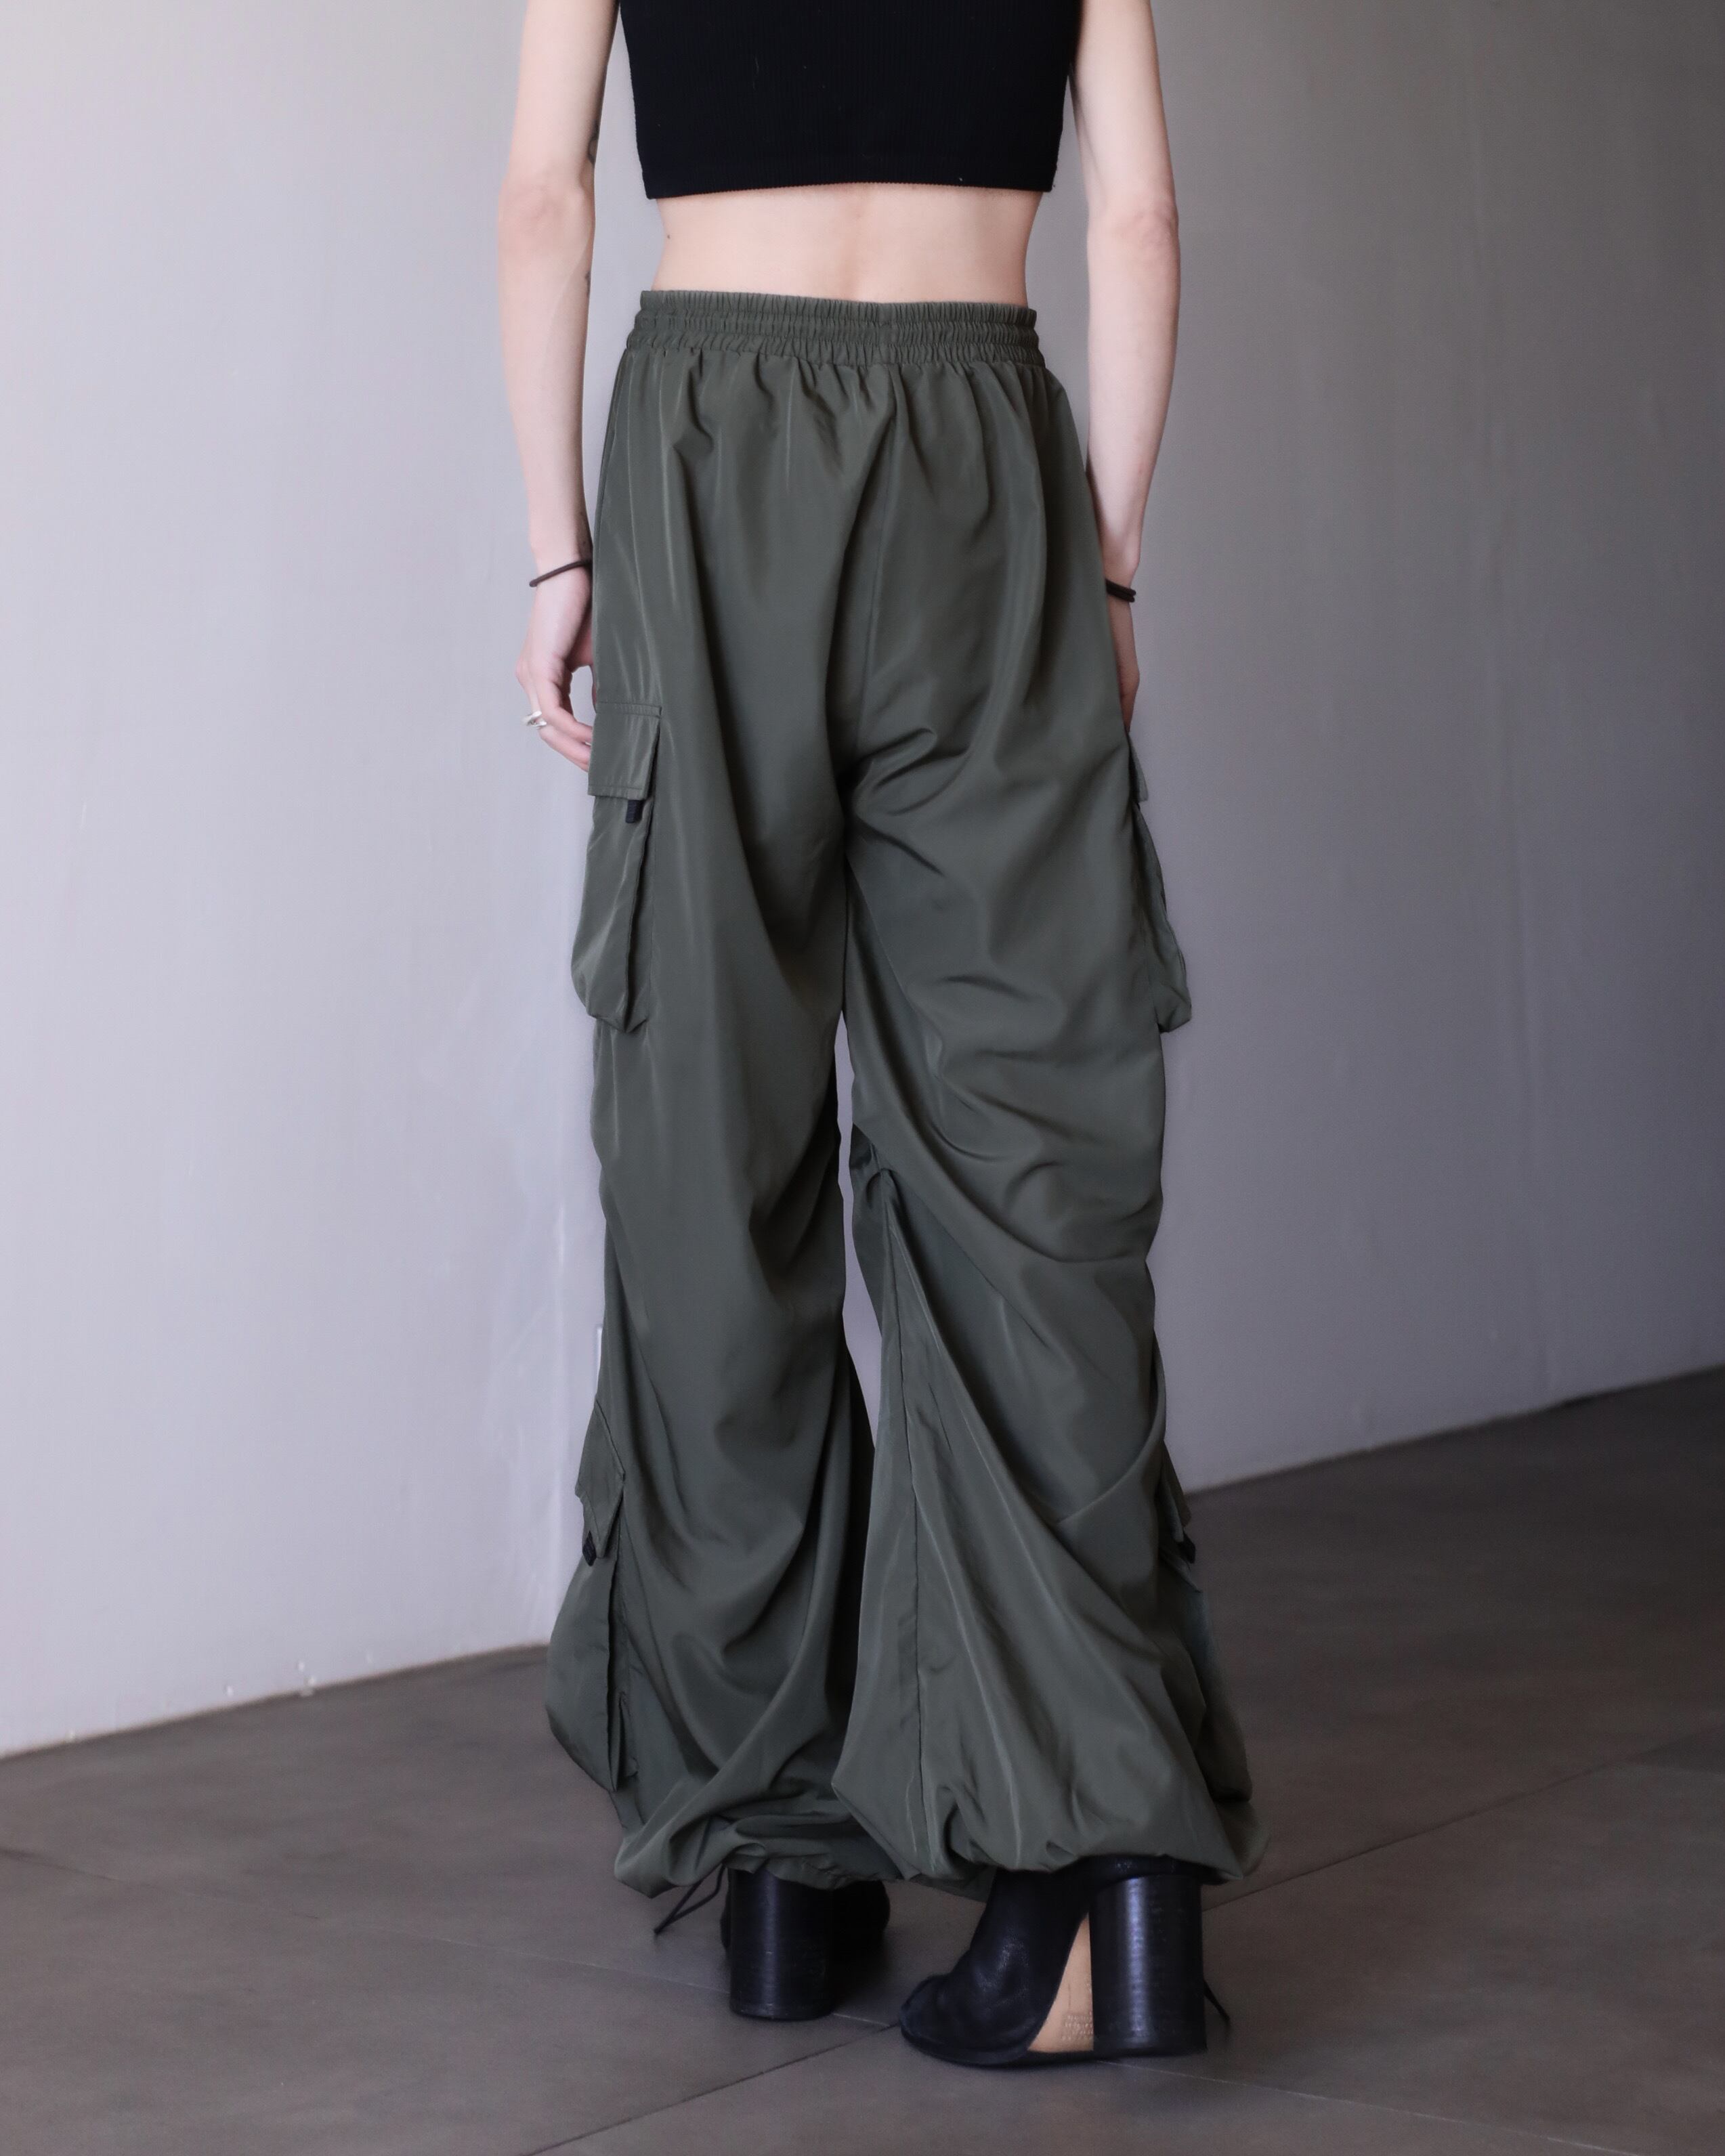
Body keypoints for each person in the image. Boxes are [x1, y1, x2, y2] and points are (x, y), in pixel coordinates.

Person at [498, 0, 1263, 2070]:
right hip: (981, 446)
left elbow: (545, 197)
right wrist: (1106, 564)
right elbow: (1140, 221)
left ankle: (777, 1853)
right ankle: (1106, 1874)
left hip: (707, 443)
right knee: (1030, 1174)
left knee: (709, 1160)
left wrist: (562, 547)